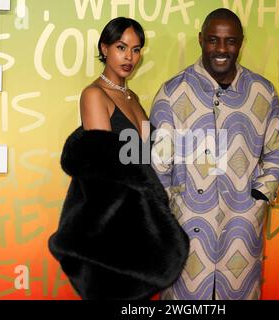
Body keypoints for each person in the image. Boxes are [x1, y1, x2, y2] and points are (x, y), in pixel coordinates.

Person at [150, 8, 279, 300]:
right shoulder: (173, 92)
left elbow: (278, 148)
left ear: (241, 42)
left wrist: (259, 198)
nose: (222, 49)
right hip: (187, 226)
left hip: (241, 225)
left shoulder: (262, 92)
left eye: (230, 41)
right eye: (214, 40)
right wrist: (167, 218)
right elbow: (158, 165)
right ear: (201, 39)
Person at [48, 17, 189, 300]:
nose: (129, 57)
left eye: (136, 50)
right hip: (113, 220)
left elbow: (145, 156)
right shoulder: (94, 95)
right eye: (121, 47)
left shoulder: (132, 96)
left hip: (140, 213)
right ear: (105, 48)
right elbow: (106, 168)